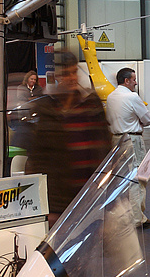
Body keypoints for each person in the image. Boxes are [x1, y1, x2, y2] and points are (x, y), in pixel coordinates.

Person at [26, 53, 112, 223]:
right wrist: (47, 205)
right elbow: (39, 159)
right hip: (60, 202)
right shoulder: (47, 108)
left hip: (91, 196)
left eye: (74, 72)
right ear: (58, 76)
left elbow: (104, 147)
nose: (71, 78)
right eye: (66, 74)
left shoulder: (91, 105)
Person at [106, 67, 150, 229]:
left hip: (116, 140)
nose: (135, 83)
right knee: (137, 177)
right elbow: (147, 119)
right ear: (126, 81)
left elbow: (109, 119)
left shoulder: (111, 97)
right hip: (132, 140)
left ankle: (125, 215)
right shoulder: (132, 96)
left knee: (121, 179)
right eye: (133, 79)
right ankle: (137, 217)